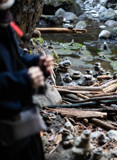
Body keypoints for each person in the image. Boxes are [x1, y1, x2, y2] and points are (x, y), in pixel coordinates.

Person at [0, 0, 53, 159]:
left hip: (21, 122)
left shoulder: (4, 18)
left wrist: (36, 62)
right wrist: (23, 79)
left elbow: (16, 56)